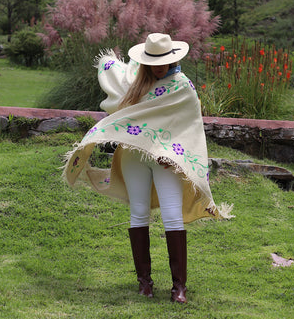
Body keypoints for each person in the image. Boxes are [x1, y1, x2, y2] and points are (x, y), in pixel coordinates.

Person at [63, 33, 231, 304]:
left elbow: (188, 125)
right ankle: (145, 284)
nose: (159, 66)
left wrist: (173, 155)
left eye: (163, 60)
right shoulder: (136, 84)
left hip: (167, 158)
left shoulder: (182, 86)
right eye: (153, 61)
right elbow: (124, 115)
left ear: (173, 57)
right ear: (145, 61)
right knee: (138, 213)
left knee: (172, 215)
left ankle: (179, 288)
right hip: (134, 156)